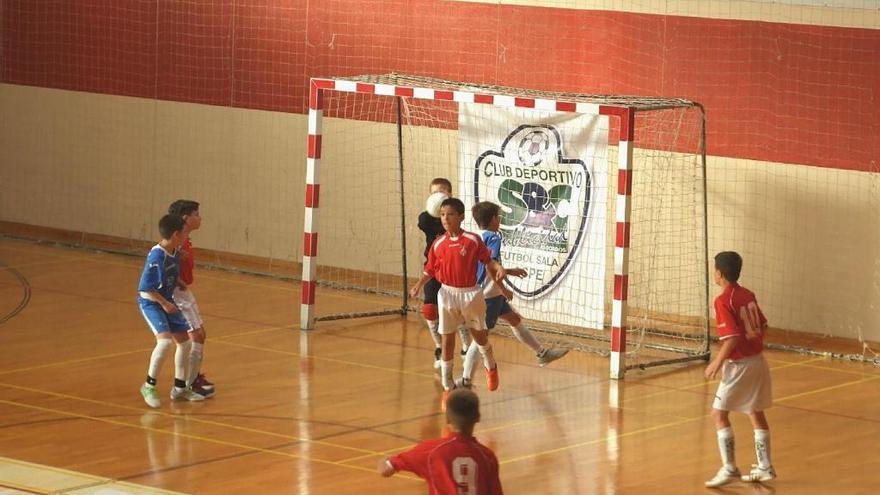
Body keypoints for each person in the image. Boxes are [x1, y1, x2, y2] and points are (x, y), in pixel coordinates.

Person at [458, 202, 569, 388]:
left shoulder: (475, 238)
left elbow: (485, 265)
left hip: (485, 292)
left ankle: (542, 353)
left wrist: (509, 271)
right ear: (494, 219)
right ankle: (466, 379)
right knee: (480, 338)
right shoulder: (493, 238)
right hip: (489, 295)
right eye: (499, 216)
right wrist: (503, 288)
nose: (499, 220)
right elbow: (490, 265)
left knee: (514, 319)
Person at [410, 197, 506, 404]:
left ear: (461, 217)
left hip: (470, 294)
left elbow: (489, 261)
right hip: (447, 294)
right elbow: (429, 270)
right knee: (447, 340)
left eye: (450, 214)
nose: (445, 218)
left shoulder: (472, 240)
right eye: (443, 215)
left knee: (479, 337)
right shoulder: (438, 244)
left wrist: (499, 269)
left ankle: (491, 366)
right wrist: (418, 284)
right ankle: (447, 386)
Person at [704, 251, 775, 487]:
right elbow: (763, 326)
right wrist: (752, 343)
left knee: (718, 414)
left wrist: (718, 362)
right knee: (755, 411)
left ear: (719, 274)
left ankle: (730, 468)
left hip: (740, 366)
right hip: (758, 361)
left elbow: (732, 338)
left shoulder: (723, 300)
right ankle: (764, 467)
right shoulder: (747, 294)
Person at [378, 388, 503, 495]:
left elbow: (386, 470)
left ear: (447, 419)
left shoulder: (431, 452)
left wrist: (384, 460)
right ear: (478, 417)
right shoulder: (487, 457)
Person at [138, 214, 205, 408]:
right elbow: (145, 288)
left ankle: (180, 388)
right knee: (165, 342)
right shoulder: (156, 256)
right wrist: (165, 304)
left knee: (184, 344)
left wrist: (178, 281)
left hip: (167, 301)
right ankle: (149, 385)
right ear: (176, 234)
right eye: (184, 233)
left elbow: (169, 273)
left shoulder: (174, 251)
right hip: (152, 302)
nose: (187, 236)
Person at [418, 178, 472, 368]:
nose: (438, 196)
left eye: (442, 192)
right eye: (434, 193)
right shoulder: (426, 219)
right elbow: (428, 219)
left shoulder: (456, 217)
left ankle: (466, 345)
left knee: (457, 311)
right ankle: (439, 347)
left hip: (455, 269)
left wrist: (448, 210)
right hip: (434, 269)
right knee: (430, 309)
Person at [168, 199, 214, 397]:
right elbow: (163, 262)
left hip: (185, 291)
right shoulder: (175, 241)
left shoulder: (186, 239)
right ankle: (188, 383)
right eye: (196, 214)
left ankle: (191, 378)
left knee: (199, 334)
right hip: (176, 293)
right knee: (195, 335)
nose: (200, 218)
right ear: (185, 218)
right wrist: (176, 278)